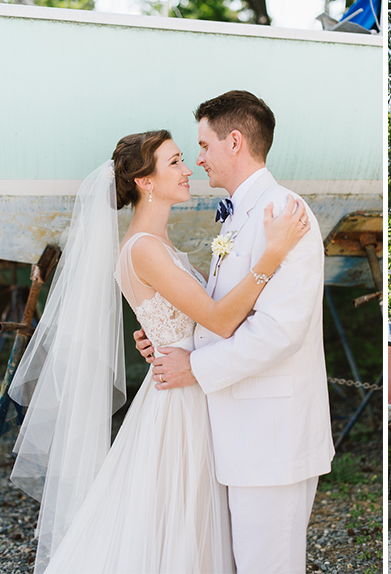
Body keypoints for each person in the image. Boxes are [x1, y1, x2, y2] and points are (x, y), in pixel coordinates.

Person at [9, 129, 309, 573]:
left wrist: (162, 338)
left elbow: (187, 320)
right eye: (175, 162)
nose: (188, 169)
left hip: (189, 385)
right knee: (178, 524)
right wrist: (272, 255)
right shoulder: (144, 249)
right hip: (179, 404)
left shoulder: (156, 245)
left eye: (186, 158)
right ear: (146, 182)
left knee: (189, 522)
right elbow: (221, 319)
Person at [141, 90, 335, 574]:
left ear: (233, 141)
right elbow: (219, 315)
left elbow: (279, 330)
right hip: (236, 433)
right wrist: (171, 345)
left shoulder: (285, 213)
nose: (198, 159)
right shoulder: (240, 211)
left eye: (203, 146)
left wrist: (195, 366)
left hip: (270, 437)